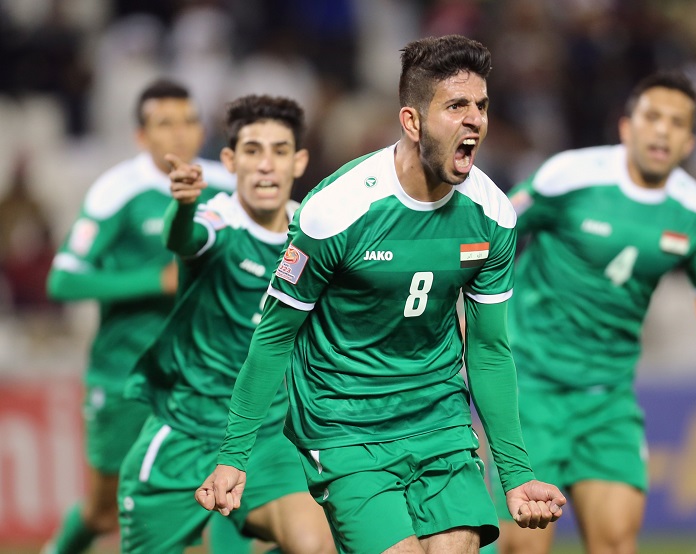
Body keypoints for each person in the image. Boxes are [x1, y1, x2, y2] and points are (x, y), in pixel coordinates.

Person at [196, 34, 567, 554]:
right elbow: (275, 337)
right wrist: (234, 454)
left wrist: (516, 471)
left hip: (439, 421)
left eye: (481, 106)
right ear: (412, 122)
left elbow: (488, 349)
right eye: (455, 106)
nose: (475, 120)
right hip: (345, 427)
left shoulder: (493, 214)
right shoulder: (337, 211)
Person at [494, 70, 696, 554]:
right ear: (626, 127)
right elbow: (495, 230)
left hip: (608, 397)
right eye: (652, 117)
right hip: (529, 385)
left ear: (690, 142)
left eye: (676, 123)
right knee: (520, 546)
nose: (662, 130)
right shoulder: (569, 176)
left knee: (615, 542)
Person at [117, 94, 336, 554]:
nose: (265, 165)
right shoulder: (216, 219)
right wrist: (182, 207)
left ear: (299, 161)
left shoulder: (316, 233)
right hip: (188, 432)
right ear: (230, 160)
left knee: (316, 545)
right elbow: (185, 239)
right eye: (253, 151)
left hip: (267, 439)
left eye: (279, 151)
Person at [44, 79, 243, 554]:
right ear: (140, 136)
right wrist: (155, 281)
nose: (179, 133)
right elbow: (64, 280)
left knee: (222, 497)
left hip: (200, 377)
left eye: (189, 121)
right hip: (124, 373)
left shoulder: (223, 186)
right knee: (102, 511)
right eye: (164, 124)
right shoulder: (119, 190)